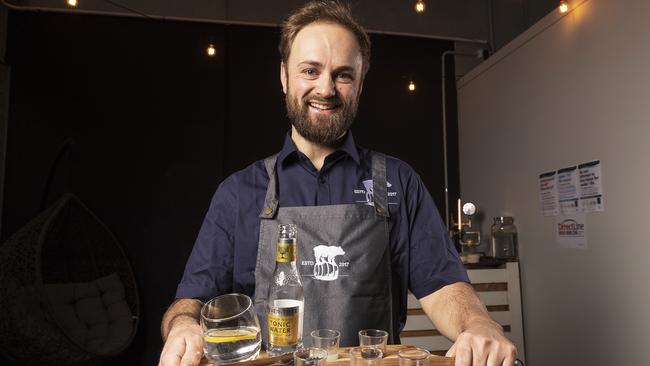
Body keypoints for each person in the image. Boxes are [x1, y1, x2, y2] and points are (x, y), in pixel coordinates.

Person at [159, 1, 517, 365]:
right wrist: (183, 325)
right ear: (284, 77)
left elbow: (443, 286)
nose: (326, 88)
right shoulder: (238, 193)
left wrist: (479, 323)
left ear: (360, 85)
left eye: (343, 74)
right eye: (310, 71)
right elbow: (191, 301)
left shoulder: (398, 181)